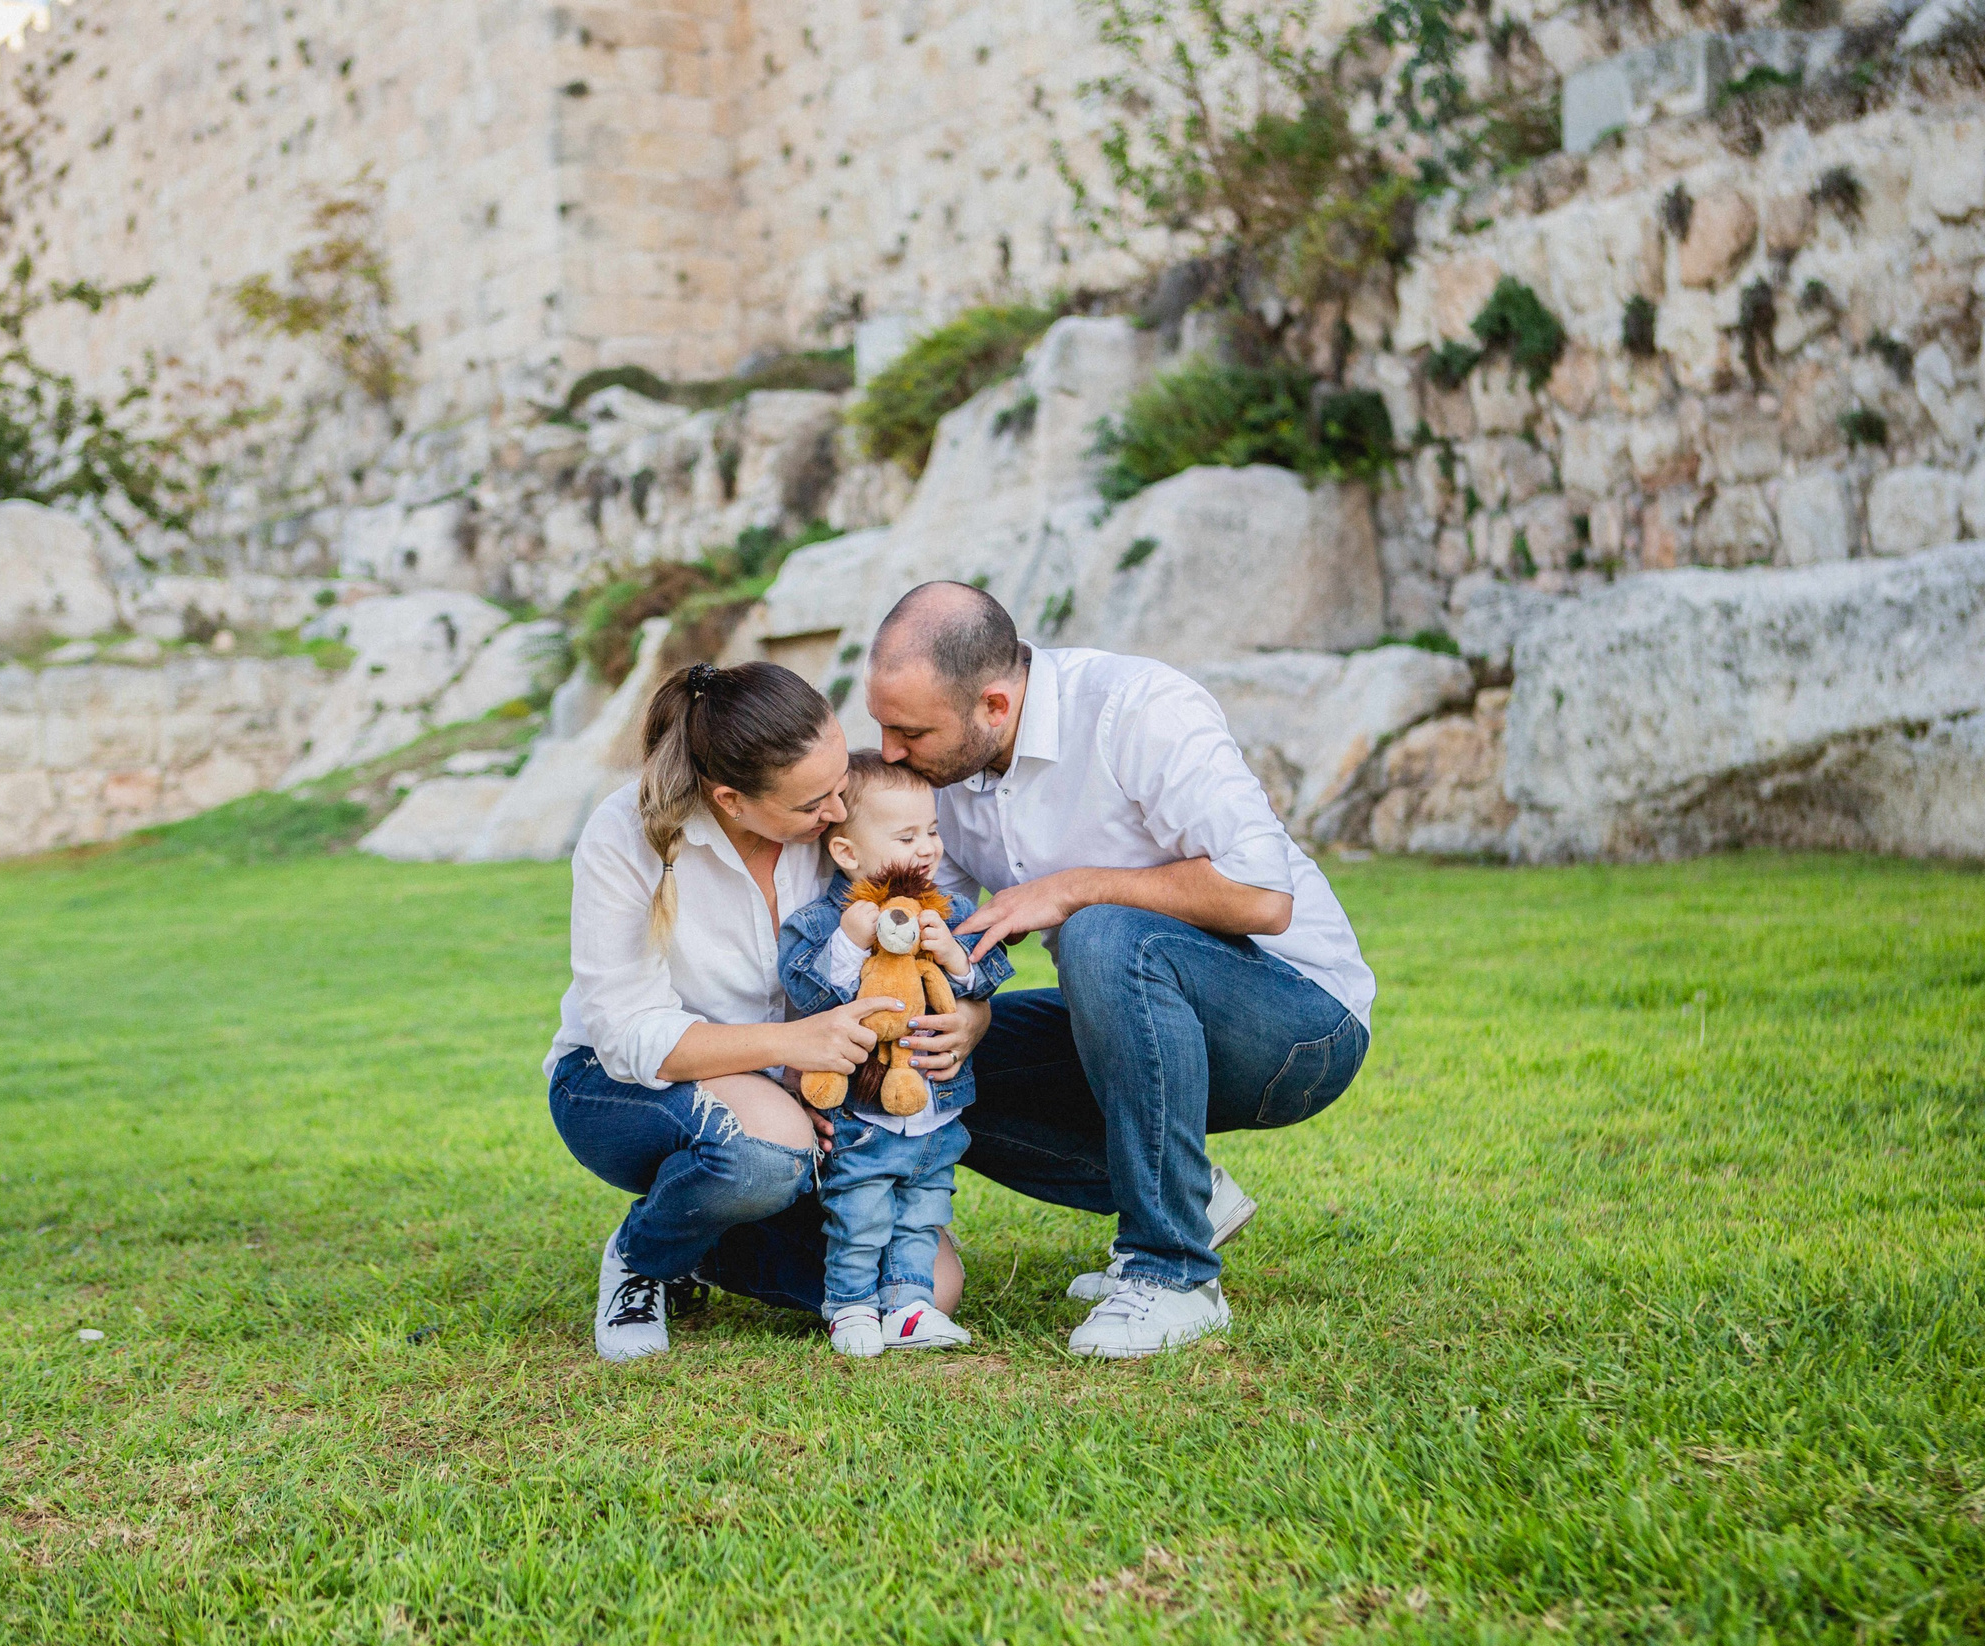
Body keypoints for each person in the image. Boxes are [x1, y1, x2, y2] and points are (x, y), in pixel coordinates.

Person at [863, 583, 1376, 1359]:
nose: (891, 752)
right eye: (881, 727)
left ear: (993, 706)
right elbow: (946, 924)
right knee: (923, 1055)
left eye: (908, 731)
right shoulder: (945, 779)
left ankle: (1173, 1272)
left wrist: (1071, 888)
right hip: (1131, 1022)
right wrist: (963, 1004)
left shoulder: (1138, 708)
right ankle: (1186, 1197)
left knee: (1104, 931)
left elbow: (1264, 896)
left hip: (1300, 1025)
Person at [545, 659, 983, 1362]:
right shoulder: (626, 833)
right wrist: (789, 1049)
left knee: (934, 1281)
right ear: (731, 799)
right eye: (814, 804)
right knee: (768, 1149)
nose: (839, 812)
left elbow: (941, 926)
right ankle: (642, 1255)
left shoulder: (836, 833)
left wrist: (972, 1018)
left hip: (798, 1094)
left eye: (841, 784)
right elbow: (625, 1033)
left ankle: (703, 1247)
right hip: (616, 1088)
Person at [775, 752, 1014, 1356]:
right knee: (859, 1214)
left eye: (932, 831)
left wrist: (957, 960)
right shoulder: (823, 924)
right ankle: (849, 1307)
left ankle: (910, 1307)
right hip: (862, 1113)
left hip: (936, 1111)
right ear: (848, 853)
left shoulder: (948, 912)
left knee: (922, 1212)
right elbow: (808, 995)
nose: (928, 848)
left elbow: (990, 978)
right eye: (907, 836)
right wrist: (851, 944)